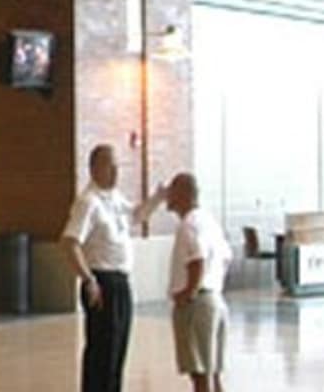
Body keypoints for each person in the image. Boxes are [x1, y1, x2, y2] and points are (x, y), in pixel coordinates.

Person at [61, 144, 166, 392]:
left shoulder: (115, 199)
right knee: (102, 353)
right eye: (110, 165)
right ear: (95, 168)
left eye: (118, 165)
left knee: (117, 350)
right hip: (101, 281)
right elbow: (69, 242)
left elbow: (137, 217)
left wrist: (157, 198)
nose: (116, 170)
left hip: (121, 282)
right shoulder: (89, 202)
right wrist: (88, 279)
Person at [165, 173, 232, 392]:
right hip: (216, 299)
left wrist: (188, 292)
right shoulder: (209, 221)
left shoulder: (189, 224)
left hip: (197, 304)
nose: (167, 196)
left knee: (200, 375)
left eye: (172, 191)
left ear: (183, 194)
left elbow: (197, 260)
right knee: (213, 373)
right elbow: (226, 257)